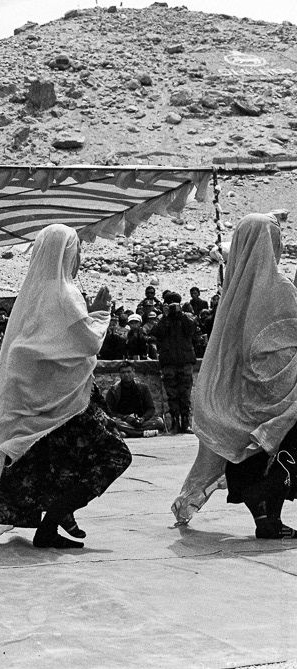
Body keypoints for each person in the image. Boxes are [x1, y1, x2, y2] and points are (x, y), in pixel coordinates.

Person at [0, 224, 132, 549]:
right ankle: (57, 516)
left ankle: (52, 523)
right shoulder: (65, 294)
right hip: (68, 404)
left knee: (60, 463)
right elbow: (87, 343)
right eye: (76, 249)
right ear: (66, 253)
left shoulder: (33, 295)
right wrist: (102, 315)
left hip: (46, 401)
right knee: (114, 455)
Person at [172, 213, 297, 538]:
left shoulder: (233, 293)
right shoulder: (279, 289)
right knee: (281, 450)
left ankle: (267, 521)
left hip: (240, 394)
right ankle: (268, 509)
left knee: (250, 457)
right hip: (276, 392)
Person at [151, 292, 198, 434]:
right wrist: (165, 317)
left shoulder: (186, 317)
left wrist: (181, 314)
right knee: (171, 394)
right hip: (169, 362)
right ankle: (175, 422)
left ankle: (186, 421)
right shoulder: (162, 319)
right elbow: (156, 333)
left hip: (184, 360)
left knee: (185, 393)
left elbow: (192, 328)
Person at [105, 362, 165, 437]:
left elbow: (150, 408)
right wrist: (125, 417)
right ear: (119, 374)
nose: (126, 375)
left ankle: (128, 433)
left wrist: (143, 418)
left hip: (140, 421)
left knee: (159, 421)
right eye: (123, 372)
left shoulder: (143, 388)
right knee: (112, 422)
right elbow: (109, 411)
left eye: (129, 372)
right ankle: (142, 433)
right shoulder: (114, 390)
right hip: (123, 420)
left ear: (134, 372)